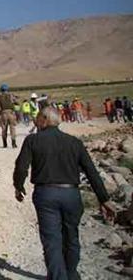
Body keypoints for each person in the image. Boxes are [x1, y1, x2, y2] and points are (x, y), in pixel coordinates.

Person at [14, 106, 113, 280]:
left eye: (38, 118)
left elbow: (21, 167)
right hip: (71, 195)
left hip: (45, 195)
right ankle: (71, 274)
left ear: (44, 119)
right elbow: (91, 171)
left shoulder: (33, 140)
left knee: (52, 240)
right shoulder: (74, 142)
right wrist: (104, 199)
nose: (36, 121)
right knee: (71, 236)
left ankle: (59, 276)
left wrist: (18, 186)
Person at [0, 84, 18, 148]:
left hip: (3, 113)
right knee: (12, 128)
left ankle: (5, 143)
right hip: (11, 113)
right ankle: (13, 143)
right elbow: (16, 102)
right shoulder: (11, 95)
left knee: (4, 129)